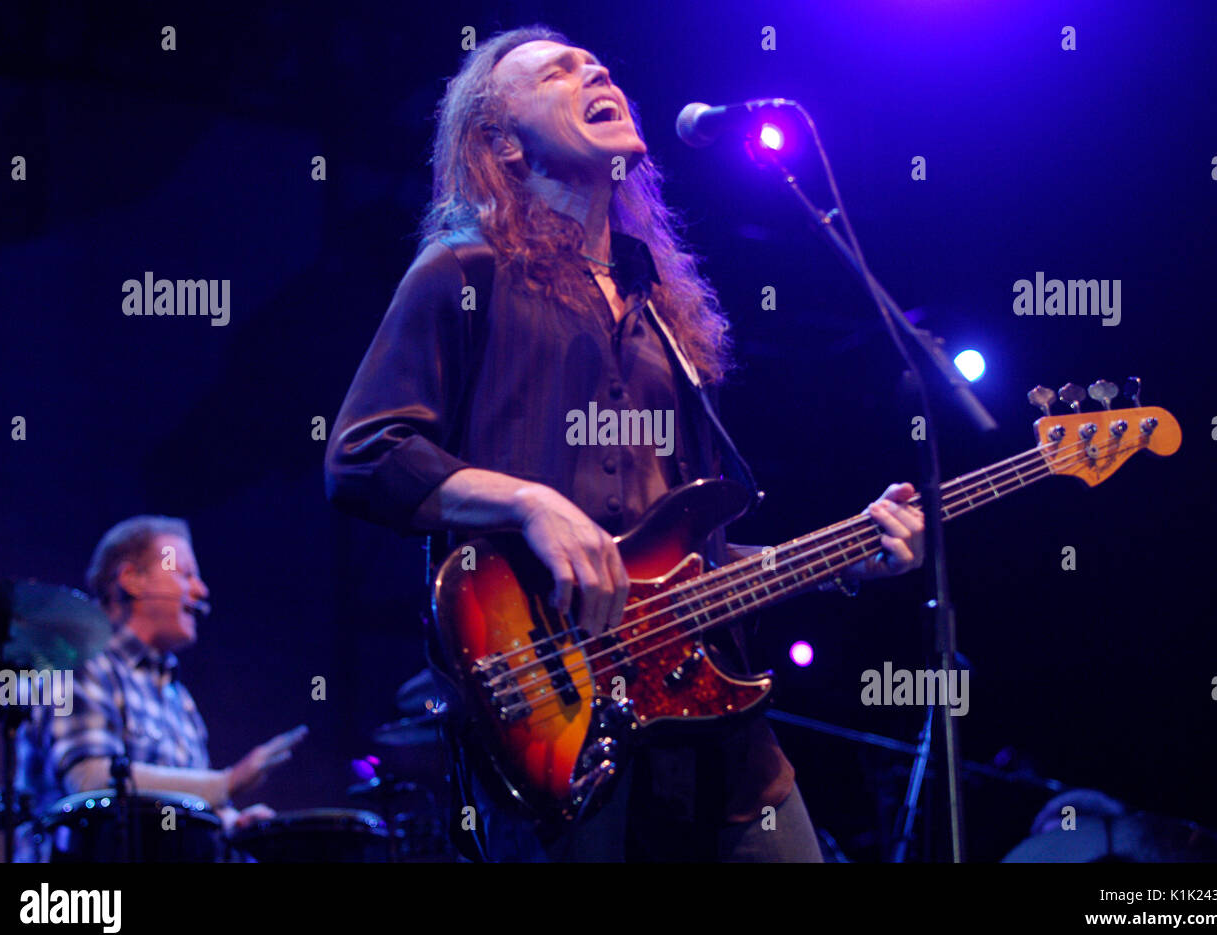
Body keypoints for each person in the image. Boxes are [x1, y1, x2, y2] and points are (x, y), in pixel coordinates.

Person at [325, 25, 924, 861]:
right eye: (558, 74)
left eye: (597, 64)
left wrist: (849, 555)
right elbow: (364, 452)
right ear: (500, 143)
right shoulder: (464, 272)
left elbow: (683, 560)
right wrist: (529, 501)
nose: (595, 72)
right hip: (554, 718)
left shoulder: (666, 314)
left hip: (721, 738)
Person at [15, 515, 307, 859]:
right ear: (131, 580)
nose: (201, 590)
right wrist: (225, 783)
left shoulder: (177, 698)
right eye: (185, 574)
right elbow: (90, 781)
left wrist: (231, 822)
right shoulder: (78, 662)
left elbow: (180, 812)